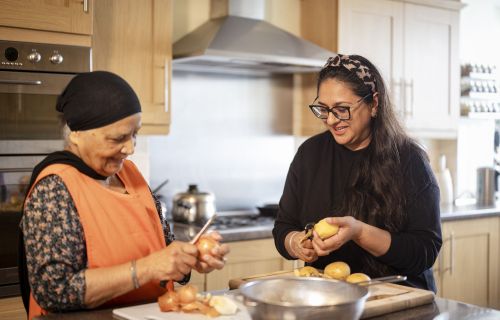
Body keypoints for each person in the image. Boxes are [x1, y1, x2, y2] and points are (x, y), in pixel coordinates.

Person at [19, 71, 229, 320]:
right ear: (76, 134)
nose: (130, 148)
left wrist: (189, 256)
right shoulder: (55, 188)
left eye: (134, 134)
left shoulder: (130, 174)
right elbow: (54, 290)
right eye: (118, 138)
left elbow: (162, 245)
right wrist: (149, 268)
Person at [272, 54, 442, 292]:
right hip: (330, 301)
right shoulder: (309, 154)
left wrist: (359, 232)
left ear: (373, 104)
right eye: (323, 109)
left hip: (399, 301)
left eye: (342, 109)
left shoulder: (409, 160)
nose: (331, 120)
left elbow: (424, 251)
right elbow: (284, 226)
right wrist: (295, 243)